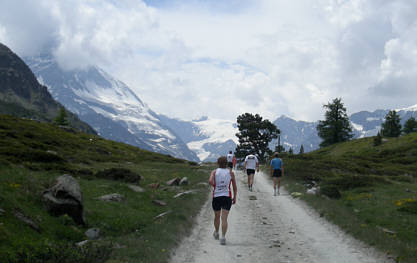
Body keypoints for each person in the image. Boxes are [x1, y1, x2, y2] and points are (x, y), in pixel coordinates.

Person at [209, 156, 237, 245]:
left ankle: (216, 232)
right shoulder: (230, 173)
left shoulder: (214, 172)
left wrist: (215, 186)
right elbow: (234, 187)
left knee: (217, 217)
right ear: (226, 163)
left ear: (218, 163)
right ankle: (223, 237)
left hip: (217, 196)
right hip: (226, 196)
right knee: (224, 218)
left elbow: (210, 181)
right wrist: (235, 197)